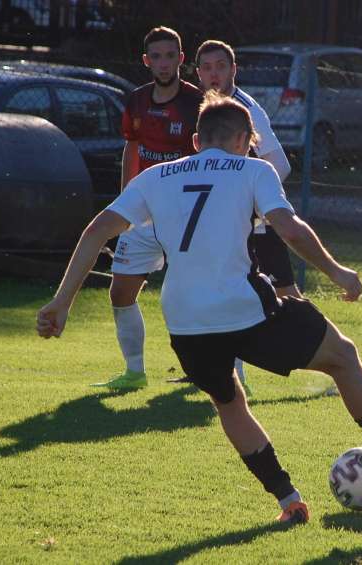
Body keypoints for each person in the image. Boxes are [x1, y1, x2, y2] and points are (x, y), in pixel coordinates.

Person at [36, 93, 362, 525]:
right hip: (245, 310)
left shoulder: (155, 177)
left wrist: (61, 301)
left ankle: (288, 501)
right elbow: (290, 230)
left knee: (229, 403)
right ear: (244, 139)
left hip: (185, 323)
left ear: (198, 141)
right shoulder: (253, 169)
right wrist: (337, 272)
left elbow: (97, 230)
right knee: (343, 356)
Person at [96, 26, 204, 390]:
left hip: (188, 213)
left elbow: (210, 154)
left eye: (170, 56)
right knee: (120, 292)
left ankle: (231, 376)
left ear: (181, 59)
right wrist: (126, 197)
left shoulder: (197, 102)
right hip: (144, 212)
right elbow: (133, 147)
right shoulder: (136, 101)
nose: (163, 63)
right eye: (156, 56)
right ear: (146, 61)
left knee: (200, 292)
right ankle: (134, 373)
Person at [192, 39, 299, 394]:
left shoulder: (247, 109)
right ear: (197, 73)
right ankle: (225, 372)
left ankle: (328, 353)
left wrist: (252, 200)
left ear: (233, 70)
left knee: (285, 292)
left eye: (220, 66)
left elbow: (280, 165)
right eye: (207, 68)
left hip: (257, 222)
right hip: (228, 221)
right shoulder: (206, 108)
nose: (214, 74)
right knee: (224, 287)